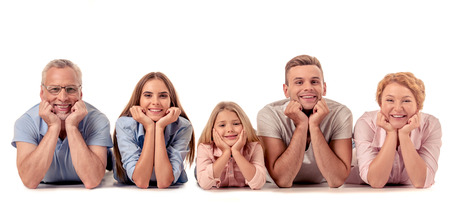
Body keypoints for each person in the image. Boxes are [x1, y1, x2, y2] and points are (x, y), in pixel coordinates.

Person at [12, 59, 113, 189]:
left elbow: (92, 180)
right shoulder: (25, 122)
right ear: (42, 93)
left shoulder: (98, 120)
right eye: (54, 89)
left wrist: (72, 126)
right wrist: (53, 127)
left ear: (80, 93)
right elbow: (29, 181)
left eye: (71, 89)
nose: (63, 97)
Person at [257, 55, 353, 188]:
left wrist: (314, 126)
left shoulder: (341, 114)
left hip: (322, 186)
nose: (308, 88)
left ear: (324, 88)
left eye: (314, 82)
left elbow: (336, 180)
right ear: (286, 90)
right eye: (299, 82)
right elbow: (283, 180)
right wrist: (302, 125)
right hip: (276, 190)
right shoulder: (269, 114)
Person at [352, 72, 441, 188]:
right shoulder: (366, 123)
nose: (398, 108)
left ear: (418, 105)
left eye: (406, 101)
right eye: (390, 100)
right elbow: (376, 181)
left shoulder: (430, 125)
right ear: (380, 103)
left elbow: (421, 181)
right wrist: (391, 133)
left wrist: (404, 135)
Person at [113, 72, 195, 189]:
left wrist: (159, 127)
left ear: (171, 100)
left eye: (163, 96)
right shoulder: (125, 124)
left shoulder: (183, 126)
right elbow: (141, 181)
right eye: (148, 95)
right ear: (139, 99)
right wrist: (150, 127)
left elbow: (164, 182)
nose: (155, 102)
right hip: (129, 180)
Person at [196, 102, 266, 190]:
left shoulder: (255, 147)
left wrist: (236, 152)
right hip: (205, 168)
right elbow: (204, 184)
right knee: (200, 173)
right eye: (222, 125)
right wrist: (226, 153)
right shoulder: (204, 148)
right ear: (212, 130)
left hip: (247, 158)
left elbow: (258, 184)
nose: (230, 130)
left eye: (236, 124)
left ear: (244, 126)